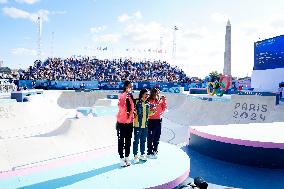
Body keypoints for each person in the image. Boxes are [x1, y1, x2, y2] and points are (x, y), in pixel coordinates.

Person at [133, 88, 156, 164]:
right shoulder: (136, 101)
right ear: (142, 94)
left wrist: (153, 111)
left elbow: (148, 113)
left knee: (143, 141)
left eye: (148, 94)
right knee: (136, 141)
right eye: (146, 94)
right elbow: (132, 110)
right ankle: (135, 156)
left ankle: (142, 154)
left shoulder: (147, 103)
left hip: (145, 125)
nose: (147, 95)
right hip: (137, 125)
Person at [116, 80, 135, 167]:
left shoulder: (130, 96)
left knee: (128, 141)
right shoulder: (122, 95)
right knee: (121, 141)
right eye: (129, 86)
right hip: (122, 122)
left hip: (130, 123)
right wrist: (125, 96)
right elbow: (121, 107)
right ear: (126, 87)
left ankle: (127, 157)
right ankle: (121, 158)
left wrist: (131, 116)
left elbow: (132, 109)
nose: (131, 88)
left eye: (131, 87)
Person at [147, 87, 167, 159]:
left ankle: (155, 150)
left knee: (157, 137)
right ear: (153, 93)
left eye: (158, 93)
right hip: (151, 120)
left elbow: (163, 109)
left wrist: (164, 101)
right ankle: (149, 152)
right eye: (156, 93)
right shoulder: (149, 100)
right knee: (150, 137)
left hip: (158, 120)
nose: (158, 94)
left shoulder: (160, 100)